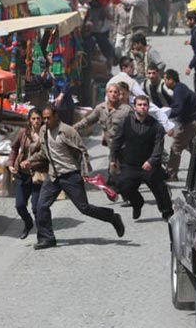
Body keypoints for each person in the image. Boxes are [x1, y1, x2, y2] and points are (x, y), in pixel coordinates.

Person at [21, 104, 125, 250]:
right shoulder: (44, 130)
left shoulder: (68, 131)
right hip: (53, 176)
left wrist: (84, 173)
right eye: (43, 118)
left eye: (48, 118)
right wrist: (30, 160)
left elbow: (83, 152)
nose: (45, 121)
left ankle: (112, 217)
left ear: (56, 117)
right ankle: (47, 238)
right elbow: (45, 152)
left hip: (70, 175)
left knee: (84, 208)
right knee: (41, 206)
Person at [109, 95, 174, 221]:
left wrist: (151, 161)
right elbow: (116, 141)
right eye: (140, 105)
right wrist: (113, 159)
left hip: (149, 165)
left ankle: (167, 213)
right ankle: (137, 203)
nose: (142, 107)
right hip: (130, 164)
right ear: (134, 107)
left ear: (148, 107)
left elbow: (158, 147)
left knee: (159, 188)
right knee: (123, 186)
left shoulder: (156, 126)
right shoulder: (126, 122)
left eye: (145, 105)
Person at [7, 108, 48, 240]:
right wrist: (11, 164)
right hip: (22, 174)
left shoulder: (46, 134)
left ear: (42, 120)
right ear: (29, 120)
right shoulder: (24, 133)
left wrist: (33, 164)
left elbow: (47, 156)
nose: (36, 121)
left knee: (37, 207)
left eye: (38, 118)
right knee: (20, 205)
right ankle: (28, 223)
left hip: (37, 175)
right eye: (33, 118)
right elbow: (14, 148)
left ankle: (43, 235)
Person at [108, 56, 176, 135]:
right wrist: (167, 126)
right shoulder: (130, 82)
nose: (134, 69)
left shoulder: (110, 82)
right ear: (124, 68)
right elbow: (144, 98)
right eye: (131, 67)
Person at [163, 69, 196, 182]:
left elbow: (178, 108)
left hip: (190, 123)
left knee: (176, 147)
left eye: (166, 79)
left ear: (171, 80)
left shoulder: (179, 90)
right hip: (194, 121)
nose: (165, 82)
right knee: (193, 148)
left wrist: (166, 114)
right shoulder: (181, 88)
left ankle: (171, 174)